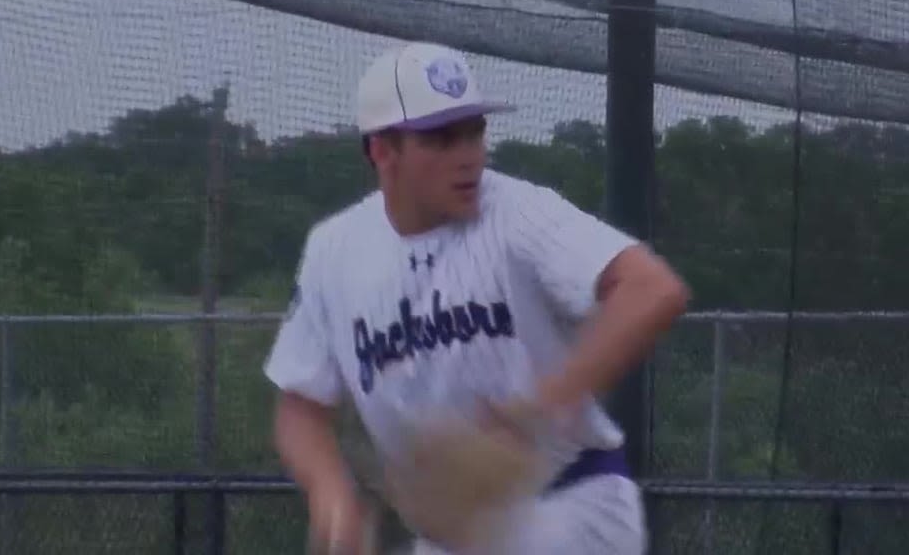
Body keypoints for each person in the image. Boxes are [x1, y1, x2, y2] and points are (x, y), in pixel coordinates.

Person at [263, 41, 690, 554]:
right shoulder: (334, 250)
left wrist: (537, 409)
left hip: (569, 504)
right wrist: (332, 495)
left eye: (474, 132)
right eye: (441, 139)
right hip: (453, 534)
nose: (468, 155)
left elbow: (653, 288)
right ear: (383, 150)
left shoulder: (518, 214)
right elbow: (300, 406)